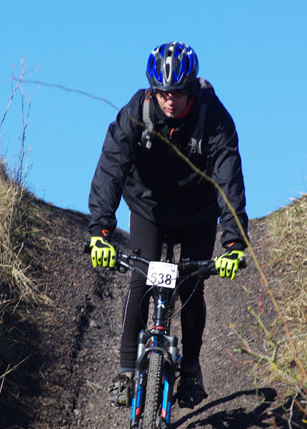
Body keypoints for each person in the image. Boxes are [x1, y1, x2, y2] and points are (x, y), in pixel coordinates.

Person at [88, 41, 248, 409]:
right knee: (140, 280)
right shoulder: (137, 110)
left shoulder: (214, 117)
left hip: (198, 211)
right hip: (149, 206)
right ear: (153, 91)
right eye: (163, 93)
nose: (169, 101)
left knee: (191, 285)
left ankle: (190, 368)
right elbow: (110, 167)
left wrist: (234, 243)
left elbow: (229, 180)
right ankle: (126, 371)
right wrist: (99, 231)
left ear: (191, 88)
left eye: (177, 93)